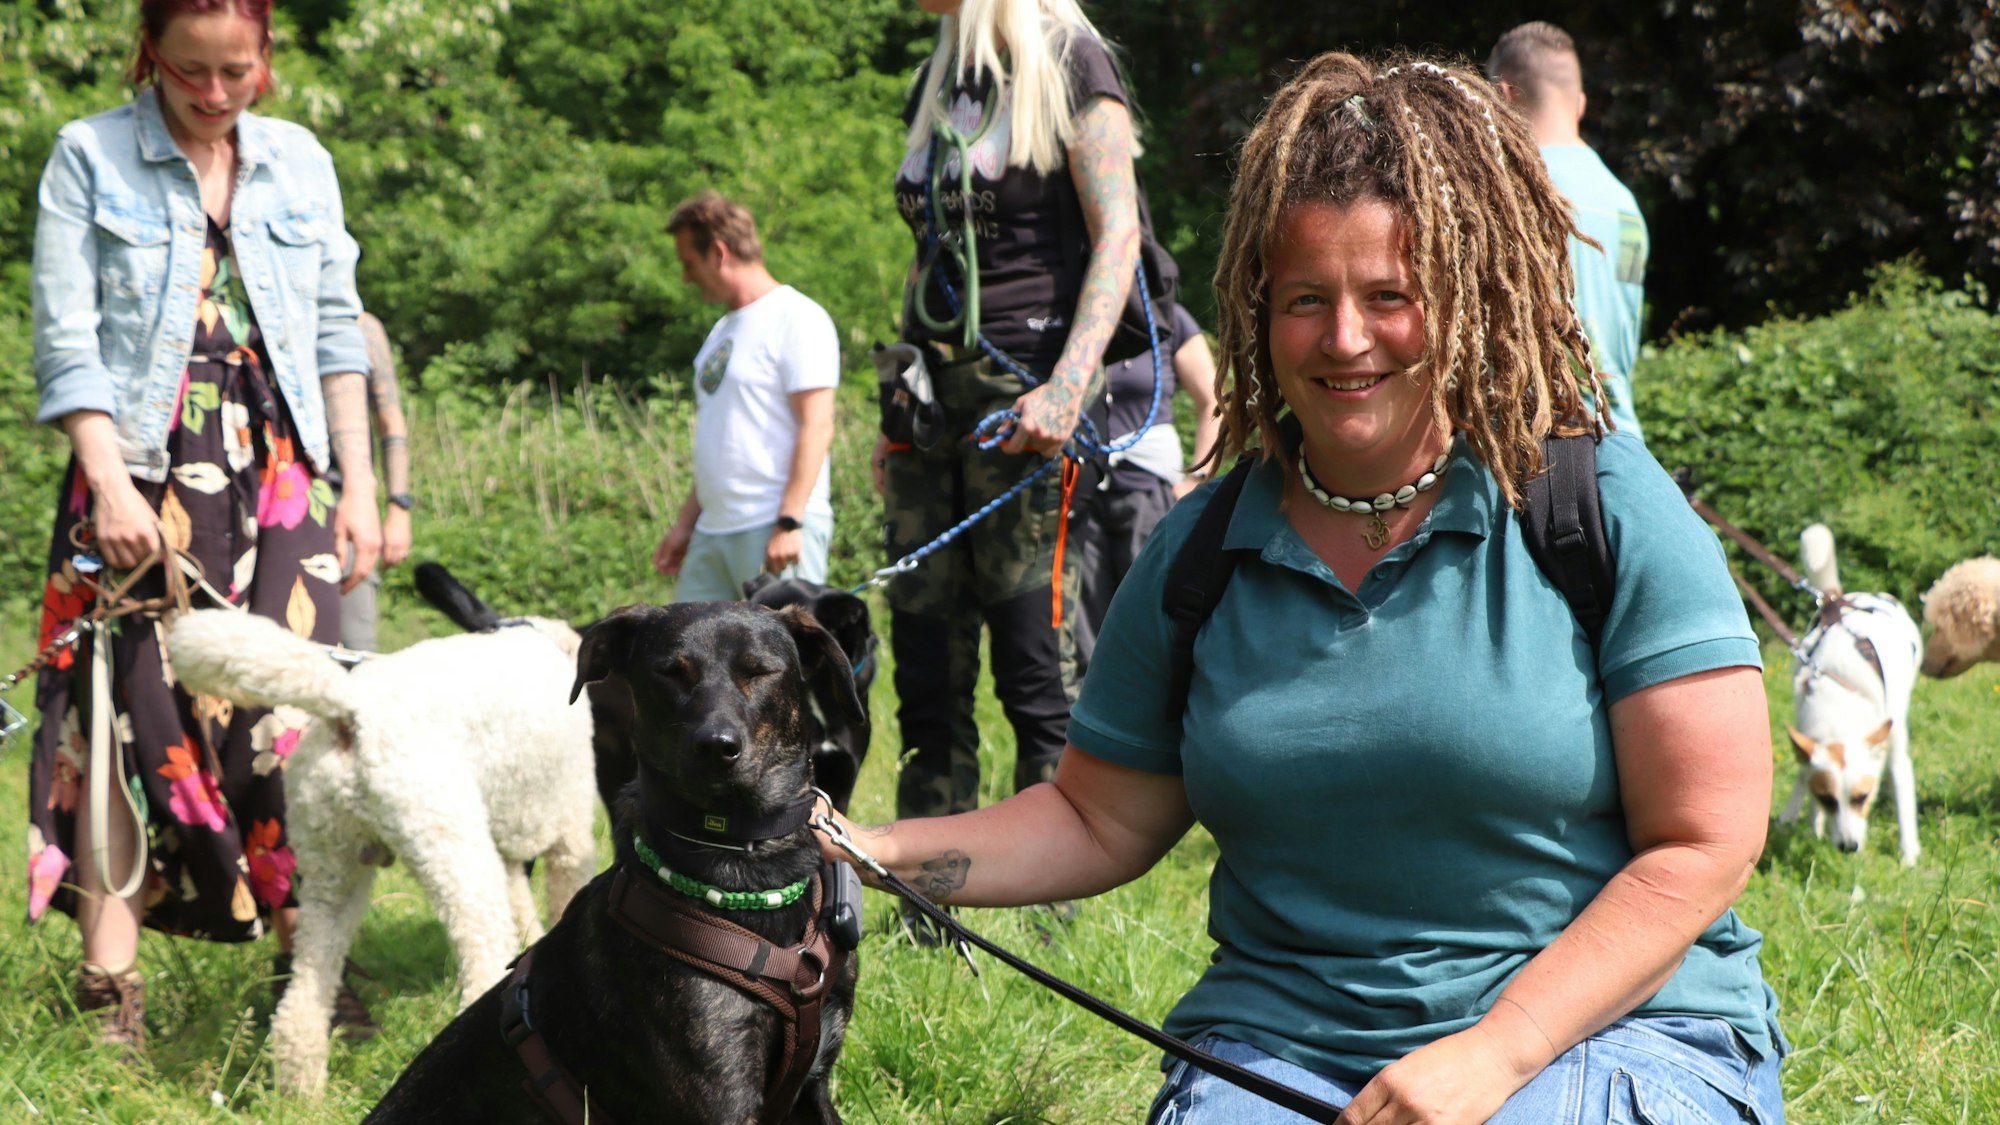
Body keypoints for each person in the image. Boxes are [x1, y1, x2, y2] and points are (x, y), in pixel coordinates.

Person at [821, 52, 1786, 1125]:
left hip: (1608, 1030)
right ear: (1251, 308)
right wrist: (864, 850)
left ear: (1466, 296)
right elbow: (1095, 818)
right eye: (1303, 300)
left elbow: (1702, 843)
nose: (1342, 339)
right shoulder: (1204, 550)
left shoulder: (1594, 505)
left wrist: (1493, 1055)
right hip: (1282, 1050)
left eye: (1389, 296)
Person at [26, 0, 380, 1051]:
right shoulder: (87, 155)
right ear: (150, 57)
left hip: (283, 478)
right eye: (190, 73)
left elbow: (333, 332)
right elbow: (66, 335)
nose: (215, 95)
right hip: (139, 476)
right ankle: (109, 987)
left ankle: (305, 970)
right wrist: (109, 482)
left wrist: (356, 484)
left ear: (266, 58)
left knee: (290, 715)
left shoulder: (301, 162)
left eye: (236, 73)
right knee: (125, 714)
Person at [879, 0, 1142, 835]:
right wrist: (897, 420)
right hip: (930, 400)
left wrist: (1068, 385)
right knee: (926, 666)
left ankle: (1053, 895)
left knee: (1034, 666)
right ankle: (929, 891)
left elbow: (1119, 234)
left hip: (1026, 395)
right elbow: (930, 253)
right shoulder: (938, 75)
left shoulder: (1072, 61)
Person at [652, 191, 839, 602]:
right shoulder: (720, 332)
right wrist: (686, 526)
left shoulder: (796, 317)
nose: (686, 277)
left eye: (689, 263)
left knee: (783, 661)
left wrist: (790, 521)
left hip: (771, 525)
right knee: (680, 655)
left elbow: (818, 422)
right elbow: (721, 438)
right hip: (714, 529)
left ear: (718, 252)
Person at [1489, 22, 1651, 441]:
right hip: (1623, 444)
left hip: (1545, 452)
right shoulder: (1625, 205)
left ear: (1505, 95)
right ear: (1579, 103)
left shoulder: (1512, 192)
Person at [1071, 298, 1218, 681]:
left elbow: (1213, 401)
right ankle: (1090, 717)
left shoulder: (1169, 318)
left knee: (1153, 613)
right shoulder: (1077, 316)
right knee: (1083, 619)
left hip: (1148, 492)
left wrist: (1197, 479)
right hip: (1082, 489)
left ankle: (1158, 711)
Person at [333, 310, 412, 652]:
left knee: (356, 648)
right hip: (282, 501)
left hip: (348, 507)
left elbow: (390, 422)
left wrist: (399, 507)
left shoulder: (362, 328)